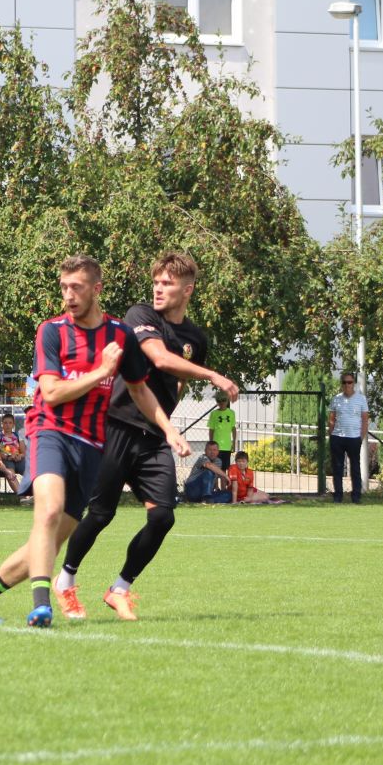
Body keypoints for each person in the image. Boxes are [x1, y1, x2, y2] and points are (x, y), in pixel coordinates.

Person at [0, 254, 189, 628]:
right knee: (48, 512)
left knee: (48, 543)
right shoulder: (51, 331)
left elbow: (139, 389)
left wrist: (168, 429)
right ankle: (41, 605)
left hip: (91, 446)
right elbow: (50, 393)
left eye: (76, 287)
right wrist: (101, 371)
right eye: (64, 287)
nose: (68, 295)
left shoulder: (120, 335)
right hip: (49, 431)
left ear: (96, 289)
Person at [53, 252, 235, 621]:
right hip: (115, 426)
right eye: (156, 282)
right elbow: (160, 358)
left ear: (187, 290)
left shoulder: (196, 339)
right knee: (100, 514)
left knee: (163, 517)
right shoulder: (140, 316)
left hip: (152, 437)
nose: (158, 289)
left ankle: (119, 589)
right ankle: (66, 581)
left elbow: (179, 381)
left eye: (167, 283)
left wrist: (165, 423)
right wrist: (214, 375)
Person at [328, 370, 370, 503]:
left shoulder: (361, 399)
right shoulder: (336, 399)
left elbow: (365, 420)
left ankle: (356, 496)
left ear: (354, 383)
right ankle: (338, 496)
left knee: (355, 468)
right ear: (341, 384)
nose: (347, 385)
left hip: (354, 438)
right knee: (337, 468)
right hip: (338, 437)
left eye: (350, 382)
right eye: (344, 382)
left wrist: (361, 437)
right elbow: (331, 419)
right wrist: (332, 435)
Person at [207, 391, 237, 489]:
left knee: (224, 469)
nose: (221, 402)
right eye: (219, 400)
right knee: (215, 468)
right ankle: (216, 488)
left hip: (227, 446)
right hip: (216, 447)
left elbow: (233, 429)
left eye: (223, 400)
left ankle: (223, 489)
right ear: (216, 401)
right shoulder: (214, 414)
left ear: (227, 400)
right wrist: (211, 445)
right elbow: (211, 430)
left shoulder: (231, 413)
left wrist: (234, 443)